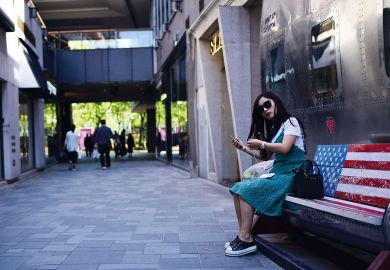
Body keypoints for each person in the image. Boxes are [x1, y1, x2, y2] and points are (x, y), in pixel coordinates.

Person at [226, 91, 306, 257]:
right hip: (278, 173)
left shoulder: (291, 122)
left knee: (246, 190)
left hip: (291, 175)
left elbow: (285, 148)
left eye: (267, 104)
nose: (265, 110)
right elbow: (264, 156)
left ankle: (246, 239)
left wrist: (261, 143)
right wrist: (243, 148)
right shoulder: (275, 128)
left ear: (275, 102)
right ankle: (243, 235)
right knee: (237, 189)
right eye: (261, 109)